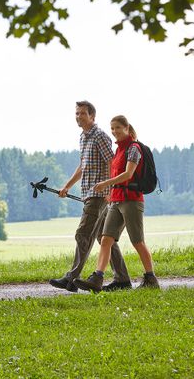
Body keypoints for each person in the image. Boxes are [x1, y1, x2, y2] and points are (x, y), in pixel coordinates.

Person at [48, 101, 132, 292]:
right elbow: (82, 166)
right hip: (89, 194)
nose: (79, 117)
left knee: (83, 234)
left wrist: (111, 190)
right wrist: (67, 186)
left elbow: (113, 162)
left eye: (83, 114)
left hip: (99, 195)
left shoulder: (100, 136)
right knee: (105, 239)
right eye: (77, 113)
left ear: (92, 116)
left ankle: (71, 278)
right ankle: (123, 280)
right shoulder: (83, 137)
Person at [74, 115, 159, 292]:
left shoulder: (133, 148)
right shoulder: (118, 150)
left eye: (118, 128)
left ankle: (151, 278)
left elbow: (128, 174)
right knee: (106, 239)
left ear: (127, 128)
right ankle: (97, 278)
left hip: (131, 201)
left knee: (137, 241)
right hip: (116, 200)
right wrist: (110, 194)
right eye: (112, 128)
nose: (114, 132)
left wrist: (106, 183)